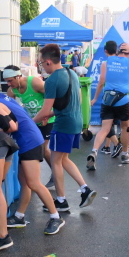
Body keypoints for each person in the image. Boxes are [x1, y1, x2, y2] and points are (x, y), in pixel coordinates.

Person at [0, 92, 65, 236]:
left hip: (29, 142)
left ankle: (56, 217)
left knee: (34, 183)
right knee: (24, 182)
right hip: (29, 140)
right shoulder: (1, 99)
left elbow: (11, 127)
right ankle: (19, 216)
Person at [33, 43, 97, 211]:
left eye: (41, 63)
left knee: (55, 162)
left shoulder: (51, 80)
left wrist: (29, 123)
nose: (41, 67)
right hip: (76, 122)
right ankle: (85, 189)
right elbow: (75, 101)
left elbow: (44, 110)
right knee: (63, 159)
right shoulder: (72, 73)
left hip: (63, 125)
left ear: (48, 62)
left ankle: (61, 200)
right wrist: (50, 115)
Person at [87, 41, 129, 170]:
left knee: (104, 129)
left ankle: (94, 151)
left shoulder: (107, 62)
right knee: (124, 128)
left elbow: (101, 82)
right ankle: (125, 154)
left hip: (107, 99)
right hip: (123, 100)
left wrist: (95, 98)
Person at [3, 65, 53, 186]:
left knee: (42, 149)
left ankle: (55, 173)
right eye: (6, 81)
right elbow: (8, 107)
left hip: (47, 119)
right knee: (37, 149)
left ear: (18, 76)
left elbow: (53, 97)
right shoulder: (12, 90)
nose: (9, 84)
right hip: (33, 121)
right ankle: (32, 179)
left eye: (10, 80)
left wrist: (48, 114)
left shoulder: (34, 82)